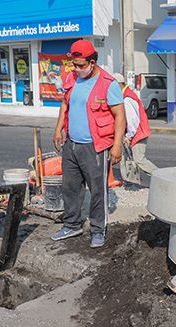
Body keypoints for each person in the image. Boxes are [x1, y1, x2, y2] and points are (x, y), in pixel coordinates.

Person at [51, 40, 126, 248]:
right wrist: (58, 129)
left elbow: (120, 115)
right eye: (74, 64)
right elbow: (65, 103)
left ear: (92, 62)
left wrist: (117, 145)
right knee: (70, 187)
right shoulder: (72, 78)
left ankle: (98, 230)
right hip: (72, 144)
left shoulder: (108, 83)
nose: (76, 69)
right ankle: (72, 225)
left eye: (81, 65)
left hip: (96, 146)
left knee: (97, 190)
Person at [112, 73, 158, 177]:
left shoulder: (127, 99)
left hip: (138, 133)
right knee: (124, 158)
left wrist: (128, 136)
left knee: (139, 159)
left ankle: (160, 176)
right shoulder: (125, 95)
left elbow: (133, 121)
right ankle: (128, 181)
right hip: (134, 133)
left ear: (118, 84)